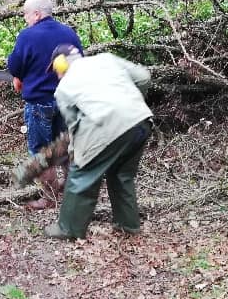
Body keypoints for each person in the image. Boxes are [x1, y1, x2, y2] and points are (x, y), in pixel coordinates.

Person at [43, 44, 153, 239]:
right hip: (140, 121)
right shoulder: (107, 59)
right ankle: (128, 225)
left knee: (81, 176)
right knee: (122, 174)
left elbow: (74, 126)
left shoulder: (64, 88)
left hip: (106, 127)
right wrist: (133, 104)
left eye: (55, 70)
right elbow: (144, 77)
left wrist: (76, 154)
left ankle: (68, 229)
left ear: (61, 65)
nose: (56, 75)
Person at [7, 0, 82, 209]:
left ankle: (49, 199)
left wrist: (19, 77)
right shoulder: (69, 33)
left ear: (37, 14)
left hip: (39, 102)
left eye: (26, 14)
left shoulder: (27, 36)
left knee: (41, 151)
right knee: (66, 148)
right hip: (67, 101)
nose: (25, 19)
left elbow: (15, 66)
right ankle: (71, 194)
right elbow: (79, 63)